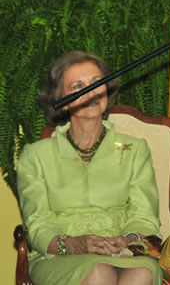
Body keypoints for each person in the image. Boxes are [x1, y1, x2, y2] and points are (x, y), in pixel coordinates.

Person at [17, 51, 161, 285]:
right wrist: (72, 244)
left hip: (124, 252)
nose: (91, 93)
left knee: (142, 273)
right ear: (59, 98)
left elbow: (144, 216)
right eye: (78, 86)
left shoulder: (135, 149)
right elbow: (38, 223)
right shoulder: (35, 156)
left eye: (97, 84)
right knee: (99, 273)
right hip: (59, 255)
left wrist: (126, 240)